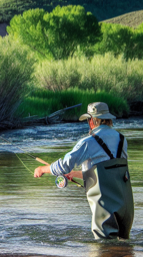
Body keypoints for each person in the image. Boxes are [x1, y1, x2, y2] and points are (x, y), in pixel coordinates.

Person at [33, 102, 134, 239]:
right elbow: (110, 172)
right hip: (126, 207)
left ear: (92, 120)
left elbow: (64, 166)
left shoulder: (88, 142)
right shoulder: (122, 139)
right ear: (108, 119)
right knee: (124, 248)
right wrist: (75, 174)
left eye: (88, 120)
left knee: (102, 250)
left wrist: (42, 169)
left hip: (104, 208)